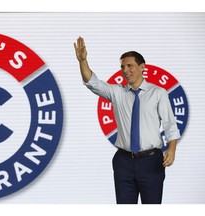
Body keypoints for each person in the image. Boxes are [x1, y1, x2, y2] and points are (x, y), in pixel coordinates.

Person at [74, 36, 180, 204]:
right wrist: (83, 61)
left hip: (151, 161)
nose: (125, 70)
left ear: (142, 67)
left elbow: (170, 125)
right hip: (123, 162)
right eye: (122, 67)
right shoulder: (117, 92)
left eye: (130, 66)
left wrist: (172, 149)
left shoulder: (158, 93)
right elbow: (91, 82)